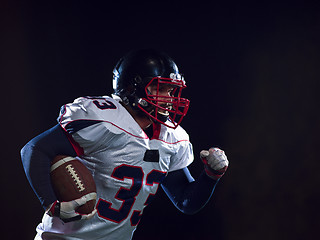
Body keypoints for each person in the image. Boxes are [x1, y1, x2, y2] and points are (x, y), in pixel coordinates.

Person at [21, 49, 229, 240]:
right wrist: (51, 203)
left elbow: (186, 202)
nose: (169, 98)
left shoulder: (172, 138)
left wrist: (210, 176)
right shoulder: (104, 119)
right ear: (132, 87)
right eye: (160, 89)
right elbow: (35, 149)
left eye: (172, 91)